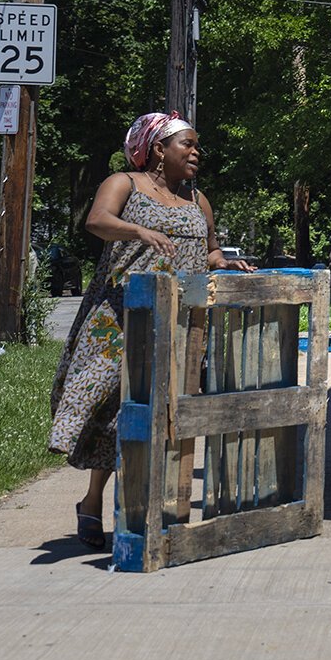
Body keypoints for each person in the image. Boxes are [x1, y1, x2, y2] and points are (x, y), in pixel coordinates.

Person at [48, 111, 254, 550]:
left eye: (198, 145)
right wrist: (139, 231)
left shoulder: (198, 200)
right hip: (118, 320)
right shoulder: (125, 183)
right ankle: (92, 501)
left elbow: (210, 251)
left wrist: (226, 262)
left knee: (157, 413)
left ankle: (141, 511)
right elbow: (97, 221)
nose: (196, 152)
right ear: (159, 149)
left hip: (177, 326)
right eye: (187, 144)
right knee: (109, 408)